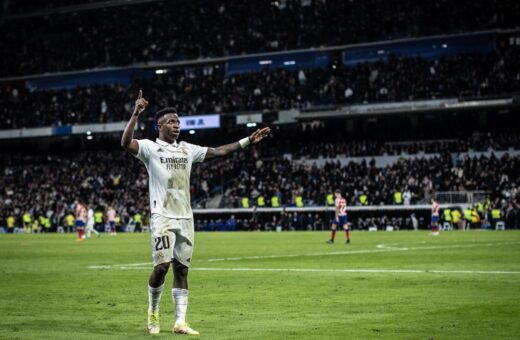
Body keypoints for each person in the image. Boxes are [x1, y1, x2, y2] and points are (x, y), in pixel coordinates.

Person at [121, 90, 270, 335]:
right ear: (159, 126)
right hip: (163, 217)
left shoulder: (187, 150)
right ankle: (153, 313)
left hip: (186, 218)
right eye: (171, 122)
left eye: (178, 122)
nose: (176, 125)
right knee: (162, 267)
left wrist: (247, 141)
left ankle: (180, 321)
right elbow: (125, 143)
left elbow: (219, 151)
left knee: (182, 269)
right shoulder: (149, 148)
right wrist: (136, 114)